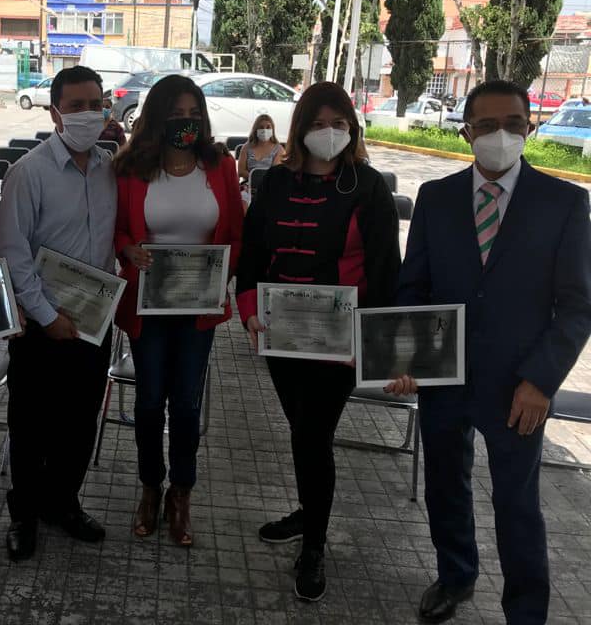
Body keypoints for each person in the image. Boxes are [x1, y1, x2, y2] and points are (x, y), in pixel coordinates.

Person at [387, 80, 591, 625]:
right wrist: (407, 359)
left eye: (514, 124)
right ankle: (455, 576)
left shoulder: (564, 202)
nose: (501, 135)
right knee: (445, 486)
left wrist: (541, 381)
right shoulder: (437, 197)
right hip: (443, 377)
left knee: (517, 503)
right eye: (487, 125)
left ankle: (526, 610)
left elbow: (577, 307)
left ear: (530, 127)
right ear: (467, 132)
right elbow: (414, 287)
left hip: (518, 386)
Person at [236, 81, 400, 602]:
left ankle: (313, 545)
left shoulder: (367, 186)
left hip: (339, 344)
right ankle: (309, 511)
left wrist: (370, 341)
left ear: (352, 128)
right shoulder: (274, 182)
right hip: (282, 337)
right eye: (318, 123)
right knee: (301, 431)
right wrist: (248, 310)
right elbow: (252, 252)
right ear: (301, 129)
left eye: (339, 123)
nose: (329, 132)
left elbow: (385, 270)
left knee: (312, 435)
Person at [113, 75, 242, 546]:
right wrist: (128, 250)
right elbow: (116, 229)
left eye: (193, 115)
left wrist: (221, 276)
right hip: (147, 306)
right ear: (156, 118)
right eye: (175, 115)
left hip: (198, 308)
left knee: (186, 403)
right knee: (149, 402)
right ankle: (150, 486)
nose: (185, 123)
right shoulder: (131, 169)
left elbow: (237, 233)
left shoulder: (220, 166)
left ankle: (181, 491)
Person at [0, 65, 118, 562]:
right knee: (31, 424)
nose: (88, 114)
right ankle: (24, 513)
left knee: (81, 422)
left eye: (96, 105)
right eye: (76, 106)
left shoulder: (111, 168)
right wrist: (47, 316)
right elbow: (13, 253)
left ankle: (63, 502)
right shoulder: (29, 172)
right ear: (54, 113)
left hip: (94, 322)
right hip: (41, 325)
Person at [237, 113, 285, 181]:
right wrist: (255, 179)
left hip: (269, 186)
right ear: (256, 129)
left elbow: (274, 174)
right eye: (261, 127)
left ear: (272, 130)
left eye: (268, 127)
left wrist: (259, 179)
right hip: (249, 185)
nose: (264, 130)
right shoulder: (246, 147)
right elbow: (241, 171)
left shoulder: (279, 149)